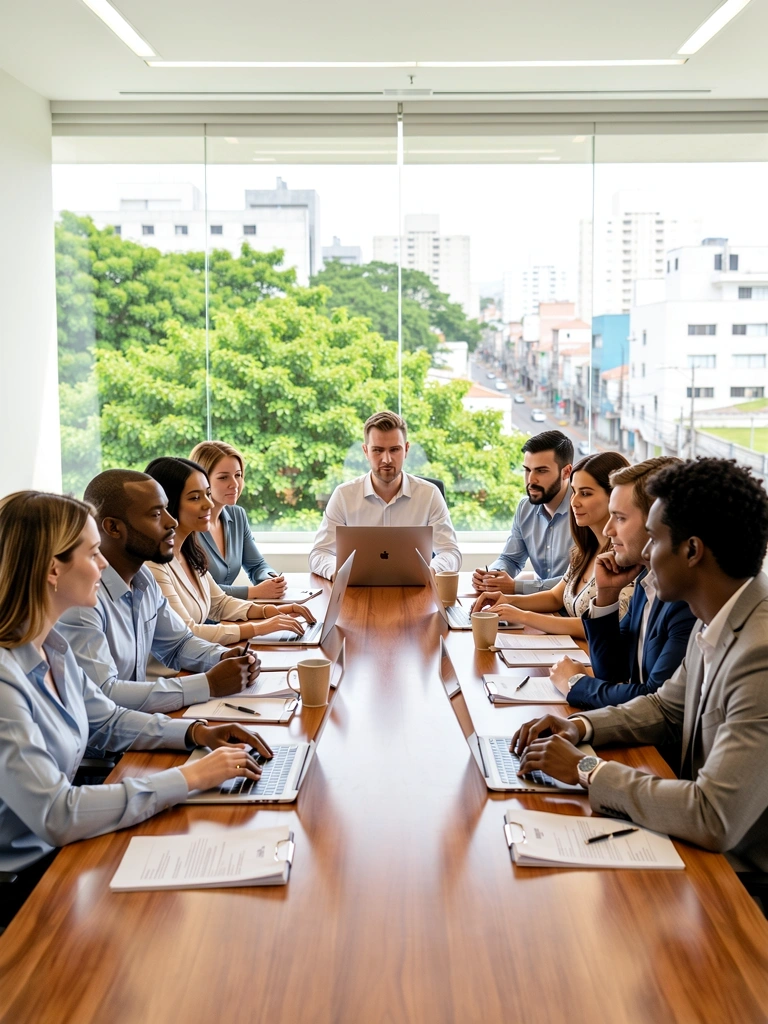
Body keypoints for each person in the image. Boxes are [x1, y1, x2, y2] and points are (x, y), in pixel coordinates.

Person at [0, 490, 273, 928]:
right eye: (92, 555)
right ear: (53, 569)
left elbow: (104, 720)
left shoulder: (52, 647)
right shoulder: (5, 681)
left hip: (70, 855)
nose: (104, 564)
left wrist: (195, 734)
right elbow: (56, 814)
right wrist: (190, 776)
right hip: (25, 886)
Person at [513, 458, 768, 873]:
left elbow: (713, 815)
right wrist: (578, 728)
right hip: (697, 847)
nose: (646, 553)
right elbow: (666, 708)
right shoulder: (717, 616)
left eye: (654, 538)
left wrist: (586, 768)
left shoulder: (760, 652)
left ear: (691, 551)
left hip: (738, 881)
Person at [58, 469, 261, 713]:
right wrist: (208, 684)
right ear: (112, 527)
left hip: (134, 724)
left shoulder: (142, 578)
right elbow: (105, 695)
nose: (171, 521)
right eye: (156, 514)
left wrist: (220, 657)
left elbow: (178, 644)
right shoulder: (83, 602)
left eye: (166, 509)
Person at [550, 457, 697, 709]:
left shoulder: (686, 600)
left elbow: (655, 700)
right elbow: (612, 671)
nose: (608, 530)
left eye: (619, 518)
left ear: (658, 523)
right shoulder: (644, 579)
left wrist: (576, 683)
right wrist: (607, 595)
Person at [144, 457, 313, 649]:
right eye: (195, 498)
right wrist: (259, 628)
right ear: (166, 504)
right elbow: (188, 632)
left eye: (207, 494)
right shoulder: (152, 565)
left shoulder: (189, 553)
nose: (208, 504)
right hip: (175, 672)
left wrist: (271, 611)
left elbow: (220, 604)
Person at [473, 452, 634, 639]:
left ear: (615, 498)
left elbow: (601, 625)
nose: (574, 501)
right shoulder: (584, 551)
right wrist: (507, 600)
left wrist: (523, 616)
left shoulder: (623, 557)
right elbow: (555, 597)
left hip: (593, 657)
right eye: (574, 491)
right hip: (575, 650)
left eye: (585, 493)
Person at [309, 410, 461, 580]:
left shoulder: (430, 494)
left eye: (394, 449)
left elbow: (450, 552)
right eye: (378, 450)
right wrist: (335, 572)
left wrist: (431, 571)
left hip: (417, 594)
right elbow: (319, 553)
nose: (387, 459)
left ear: (406, 450)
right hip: (356, 595)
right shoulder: (344, 495)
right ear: (366, 451)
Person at [472, 430, 574, 596]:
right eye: (527, 470)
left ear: (566, 472)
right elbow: (511, 559)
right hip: (538, 606)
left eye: (541, 471)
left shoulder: (583, 510)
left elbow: (576, 581)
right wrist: (493, 576)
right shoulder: (525, 508)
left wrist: (516, 587)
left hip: (571, 610)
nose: (531, 480)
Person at [189, 440, 287, 601]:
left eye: (238, 475)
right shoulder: (187, 524)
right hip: (201, 621)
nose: (234, 484)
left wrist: (271, 579)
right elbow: (196, 589)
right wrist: (253, 592)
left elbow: (256, 565)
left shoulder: (237, 515)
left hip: (230, 615)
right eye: (223, 478)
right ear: (202, 480)